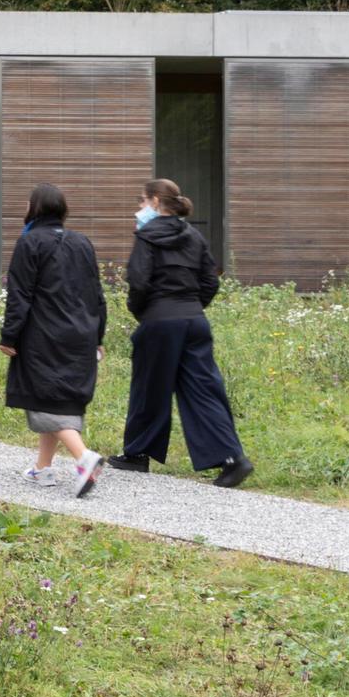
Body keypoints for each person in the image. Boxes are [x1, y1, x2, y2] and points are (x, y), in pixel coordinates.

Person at [109, 178, 256, 487]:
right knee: (204, 389)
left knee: (149, 388)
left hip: (159, 321)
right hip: (194, 320)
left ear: (155, 202)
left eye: (142, 200)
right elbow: (210, 281)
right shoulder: (194, 236)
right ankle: (232, 459)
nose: (139, 207)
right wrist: (191, 306)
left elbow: (139, 282)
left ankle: (138, 454)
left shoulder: (146, 237)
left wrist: (146, 313)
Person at [0, 183, 107, 496]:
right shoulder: (82, 242)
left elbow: (20, 294)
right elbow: (97, 294)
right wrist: (98, 336)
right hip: (81, 333)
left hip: (43, 334)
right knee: (59, 397)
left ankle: (84, 457)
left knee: (41, 395)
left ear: (34, 208)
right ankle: (42, 468)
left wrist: (9, 335)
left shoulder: (30, 242)